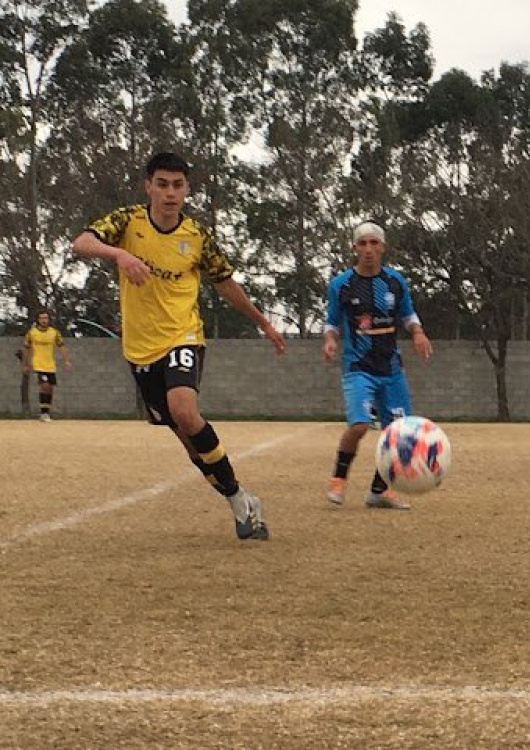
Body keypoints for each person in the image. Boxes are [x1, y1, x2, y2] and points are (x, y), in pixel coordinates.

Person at [71, 151, 286, 541]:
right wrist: (120, 254)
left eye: (177, 185)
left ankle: (239, 503)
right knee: (188, 441)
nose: (170, 193)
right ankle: (239, 498)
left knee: (184, 409)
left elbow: (225, 283)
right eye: (162, 184)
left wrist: (264, 323)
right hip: (140, 349)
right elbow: (81, 243)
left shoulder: (197, 236)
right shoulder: (128, 221)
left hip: (183, 335)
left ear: (187, 189)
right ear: (148, 186)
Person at [323, 221, 433, 511]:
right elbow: (332, 322)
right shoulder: (341, 284)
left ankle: (379, 491)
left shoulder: (395, 282)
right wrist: (330, 340)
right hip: (358, 367)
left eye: (374, 243)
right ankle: (338, 478)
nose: (368, 249)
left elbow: (409, 315)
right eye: (362, 244)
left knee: (398, 434)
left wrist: (418, 333)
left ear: (383, 247)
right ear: (354, 248)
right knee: (359, 425)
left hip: (391, 370)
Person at [22, 310, 72, 422]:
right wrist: (25, 364)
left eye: (46, 318)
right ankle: (43, 413)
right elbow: (26, 348)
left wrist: (67, 360)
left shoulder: (54, 333)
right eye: (42, 318)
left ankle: (46, 412)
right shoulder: (32, 333)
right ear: (38, 320)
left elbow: (62, 346)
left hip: (50, 365)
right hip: (38, 364)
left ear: (49, 320)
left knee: (50, 389)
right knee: (45, 385)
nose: (44, 320)